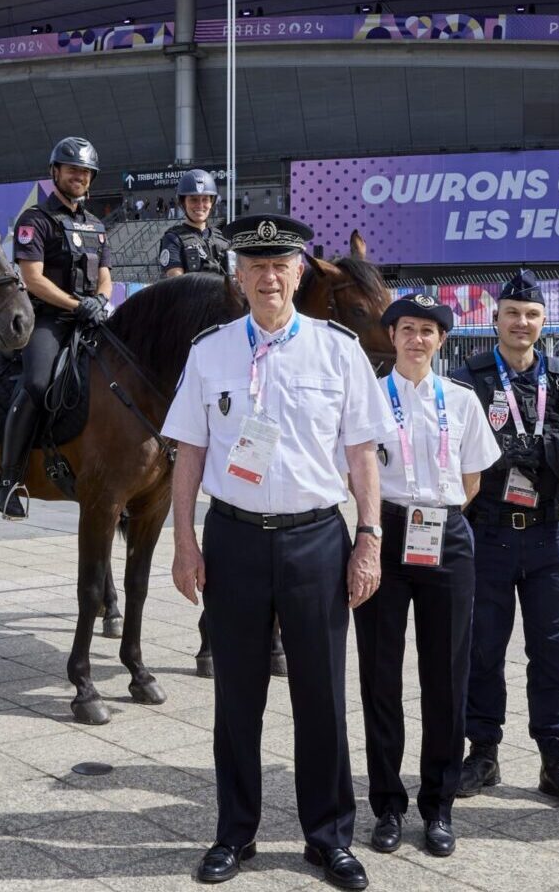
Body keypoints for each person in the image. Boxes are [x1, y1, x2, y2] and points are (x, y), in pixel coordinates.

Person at [166, 214, 389, 889]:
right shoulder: (209, 352)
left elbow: (362, 455)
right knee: (237, 695)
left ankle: (328, 838)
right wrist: (182, 540)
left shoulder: (338, 349)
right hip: (232, 537)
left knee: (321, 694)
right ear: (238, 276)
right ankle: (236, 834)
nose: (268, 276)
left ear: (300, 273)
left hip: (318, 539)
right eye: (255, 265)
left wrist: (369, 539)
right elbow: (188, 454)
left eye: (280, 264)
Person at [448, 270, 559, 812]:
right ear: (495, 320)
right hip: (486, 533)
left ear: (543, 321)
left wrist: (547, 491)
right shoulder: (469, 380)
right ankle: (483, 751)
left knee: (554, 651)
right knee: (482, 648)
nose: (521, 322)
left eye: (531, 314)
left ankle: (556, 759)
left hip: (546, 535)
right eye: (512, 312)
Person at [356, 294, 500, 858]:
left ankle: (438, 805)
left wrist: (432, 512)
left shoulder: (462, 401)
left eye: (428, 331)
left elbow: (471, 482)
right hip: (384, 534)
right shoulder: (368, 397)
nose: (417, 339)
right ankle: (388, 804)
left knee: (446, 675)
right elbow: (356, 470)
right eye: (407, 329)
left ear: (442, 341)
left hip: (445, 534)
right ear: (391, 336)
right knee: (380, 674)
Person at [0, 137, 113, 520]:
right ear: (55, 173)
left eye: (85, 172)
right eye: (72, 169)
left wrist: (101, 300)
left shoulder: (97, 225)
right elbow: (32, 279)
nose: (79, 176)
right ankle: (8, 479)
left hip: (91, 317)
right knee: (37, 384)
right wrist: (79, 306)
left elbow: (107, 275)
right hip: (49, 319)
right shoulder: (35, 221)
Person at [158, 169, 232, 278]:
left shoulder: (223, 238)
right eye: (193, 200)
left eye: (205, 200)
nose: (200, 205)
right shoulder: (173, 239)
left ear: (212, 203)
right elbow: (176, 282)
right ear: (183, 203)